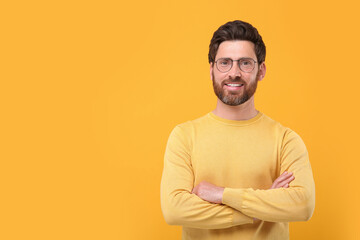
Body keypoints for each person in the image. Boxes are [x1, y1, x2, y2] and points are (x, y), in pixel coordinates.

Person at [160, 20, 315, 240]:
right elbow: (174, 210)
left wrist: (221, 194)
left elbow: (303, 205)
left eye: (245, 63)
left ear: (261, 70)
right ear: (212, 70)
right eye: (225, 63)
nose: (234, 72)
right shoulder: (184, 137)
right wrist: (258, 209)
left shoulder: (285, 140)